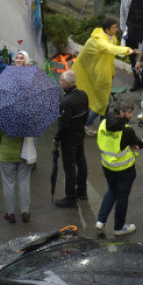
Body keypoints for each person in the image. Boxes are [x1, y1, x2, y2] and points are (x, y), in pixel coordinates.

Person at [95, 102, 143, 237]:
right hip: (125, 170)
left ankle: (101, 220)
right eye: (129, 112)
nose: (131, 115)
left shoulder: (103, 124)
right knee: (122, 197)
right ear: (121, 113)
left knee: (112, 190)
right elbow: (139, 144)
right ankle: (119, 227)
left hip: (107, 167)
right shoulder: (127, 130)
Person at [74, 17, 135, 129]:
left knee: (104, 102)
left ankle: (104, 124)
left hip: (104, 74)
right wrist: (126, 50)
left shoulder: (111, 38)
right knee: (102, 103)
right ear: (107, 29)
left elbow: (109, 57)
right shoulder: (100, 41)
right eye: (114, 28)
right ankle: (88, 123)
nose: (116, 30)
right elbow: (109, 49)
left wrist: (111, 72)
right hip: (98, 75)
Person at [54, 70, 88, 208]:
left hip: (69, 139)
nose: (60, 82)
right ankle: (82, 191)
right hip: (80, 133)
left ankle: (70, 197)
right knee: (81, 162)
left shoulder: (66, 102)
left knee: (69, 167)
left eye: (62, 81)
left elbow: (65, 125)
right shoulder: (83, 95)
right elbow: (86, 113)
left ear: (67, 84)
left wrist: (57, 137)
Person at [0, 119, 31, 224]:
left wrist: (0, 145)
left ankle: (10, 213)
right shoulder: (27, 115)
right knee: (24, 182)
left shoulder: (1, 115)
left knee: (8, 184)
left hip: (6, 154)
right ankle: (25, 212)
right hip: (24, 153)